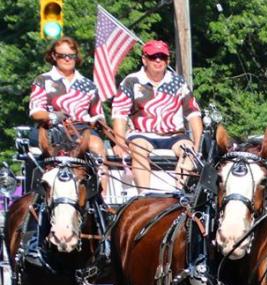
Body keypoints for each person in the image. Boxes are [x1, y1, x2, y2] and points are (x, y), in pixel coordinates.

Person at [111, 40, 202, 191]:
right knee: (138, 147)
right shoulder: (131, 81)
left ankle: (178, 196)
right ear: (144, 59)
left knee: (189, 151)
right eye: (153, 57)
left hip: (174, 135)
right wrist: (119, 143)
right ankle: (145, 196)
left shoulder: (178, 82)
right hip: (142, 134)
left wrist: (197, 145)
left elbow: (193, 114)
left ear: (168, 60)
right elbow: (119, 114)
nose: (158, 60)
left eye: (162, 57)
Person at [28, 36, 108, 189]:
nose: (67, 59)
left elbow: (98, 114)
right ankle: (39, 192)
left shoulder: (88, 85)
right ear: (53, 56)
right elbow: (36, 113)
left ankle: (102, 196)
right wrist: (53, 116)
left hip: (81, 130)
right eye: (62, 55)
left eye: (71, 56)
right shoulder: (43, 80)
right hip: (51, 129)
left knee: (97, 145)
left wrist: (95, 121)